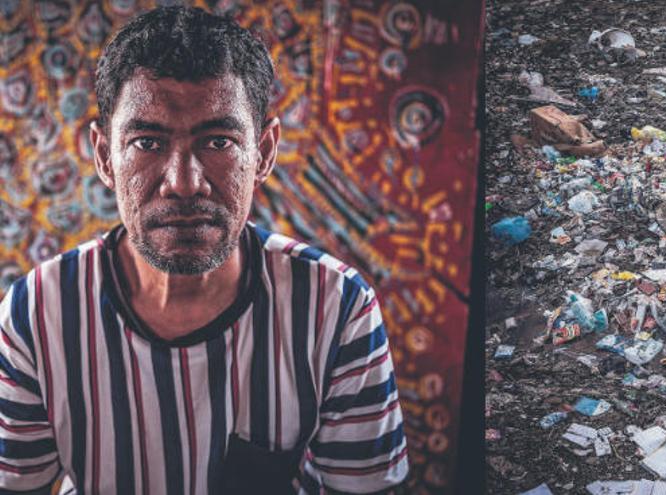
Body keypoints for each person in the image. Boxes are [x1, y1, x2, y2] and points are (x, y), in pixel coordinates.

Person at [0, 7, 407, 494]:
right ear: (105, 157)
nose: (184, 183)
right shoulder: (35, 315)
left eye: (218, 141)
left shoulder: (337, 308)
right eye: (147, 142)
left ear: (265, 151)